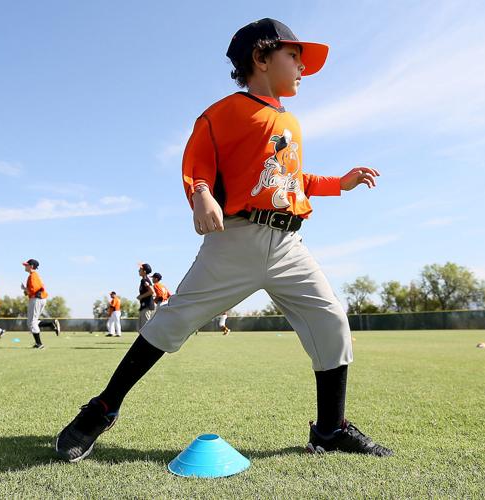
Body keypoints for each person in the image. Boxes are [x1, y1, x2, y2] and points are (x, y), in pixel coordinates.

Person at [55, 18, 392, 461]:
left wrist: (338, 183)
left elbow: (292, 179)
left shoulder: (289, 120)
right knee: (171, 321)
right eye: (294, 55)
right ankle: (101, 408)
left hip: (289, 244)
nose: (302, 67)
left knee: (331, 322)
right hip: (236, 240)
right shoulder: (223, 113)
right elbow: (198, 165)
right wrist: (200, 195)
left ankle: (330, 430)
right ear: (261, 57)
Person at [21, 259, 60, 349]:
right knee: (31, 322)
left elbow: (33, 290)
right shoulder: (33, 276)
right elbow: (31, 290)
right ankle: (51, 324)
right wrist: (25, 290)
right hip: (37, 299)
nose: (25, 266)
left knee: (32, 322)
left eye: (26, 265)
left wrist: (25, 289)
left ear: (31, 266)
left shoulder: (33, 276)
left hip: (37, 299)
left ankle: (39, 344)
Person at [136, 263, 156, 330]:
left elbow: (152, 292)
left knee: (145, 328)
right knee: (140, 328)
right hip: (145, 306)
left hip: (147, 306)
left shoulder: (145, 280)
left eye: (140, 269)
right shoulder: (144, 280)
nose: (139, 271)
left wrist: (141, 296)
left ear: (144, 271)